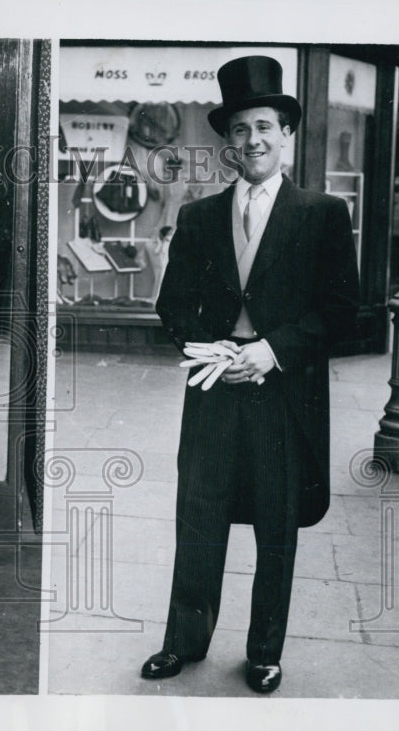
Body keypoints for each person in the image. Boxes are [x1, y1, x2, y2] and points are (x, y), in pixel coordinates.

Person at [141, 56, 360, 693]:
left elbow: (341, 311)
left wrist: (272, 350)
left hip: (282, 396)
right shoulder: (203, 216)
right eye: (239, 130)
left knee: (275, 524)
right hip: (213, 390)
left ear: (286, 134)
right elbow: (171, 305)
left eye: (264, 126)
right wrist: (211, 350)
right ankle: (183, 642)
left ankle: (265, 651)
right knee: (198, 517)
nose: (253, 140)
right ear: (228, 142)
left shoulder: (321, 214)